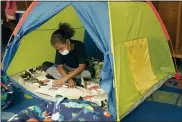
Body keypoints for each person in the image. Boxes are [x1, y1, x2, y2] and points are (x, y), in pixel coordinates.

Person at [41, 23, 91, 88]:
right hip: (66, 69)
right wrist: (69, 79)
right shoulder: (58, 49)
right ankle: (76, 80)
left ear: (67, 42)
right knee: (45, 65)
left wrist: (65, 78)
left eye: (61, 49)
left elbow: (81, 67)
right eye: (58, 50)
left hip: (78, 69)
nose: (60, 51)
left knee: (89, 72)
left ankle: (62, 78)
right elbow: (60, 67)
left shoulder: (79, 45)